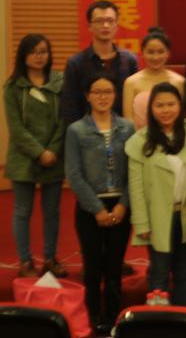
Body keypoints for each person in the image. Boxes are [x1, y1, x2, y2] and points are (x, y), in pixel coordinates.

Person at [64, 73, 134, 336]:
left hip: (120, 205)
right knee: (92, 267)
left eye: (108, 92)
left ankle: (113, 319)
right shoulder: (76, 130)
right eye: (97, 92)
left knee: (114, 267)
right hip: (89, 207)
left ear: (115, 95)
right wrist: (97, 209)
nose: (103, 97)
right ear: (87, 96)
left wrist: (122, 205)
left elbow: (134, 172)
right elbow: (74, 175)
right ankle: (93, 319)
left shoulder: (127, 128)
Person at [126, 82, 186, 306]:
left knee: (184, 272)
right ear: (151, 109)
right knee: (159, 272)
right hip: (157, 217)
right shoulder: (140, 140)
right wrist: (141, 223)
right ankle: (159, 320)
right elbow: (136, 187)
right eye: (159, 105)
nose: (166, 110)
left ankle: (183, 319)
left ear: (180, 106)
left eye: (171, 104)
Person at [5, 33, 66, 278]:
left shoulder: (60, 82)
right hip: (24, 157)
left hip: (54, 155)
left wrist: (52, 150)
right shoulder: (13, 87)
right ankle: (25, 261)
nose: (39, 56)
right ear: (24, 56)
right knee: (22, 211)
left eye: (43, 51)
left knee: (52, 212)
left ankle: (50, 259)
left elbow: (64, 120)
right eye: (33, 52)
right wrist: (39, 152)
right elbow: (16, 128)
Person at [61, 0, 139, 123]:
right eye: (99, 21)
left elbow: (135, 102)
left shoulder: (129, 60)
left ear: (117, 25)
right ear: (89, 26)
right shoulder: (76, 63)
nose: (105, 25)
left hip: (123, 130)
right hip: (87, 131)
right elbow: (70, 107)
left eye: (110, 21)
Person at [122, 27, 185, 129]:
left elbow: (183, 117)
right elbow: (128, 120)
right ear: (142, 53)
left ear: (168, 53)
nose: (156, 57)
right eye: (150, 52)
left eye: (161, 52)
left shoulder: (179, 82)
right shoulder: (131, 82)